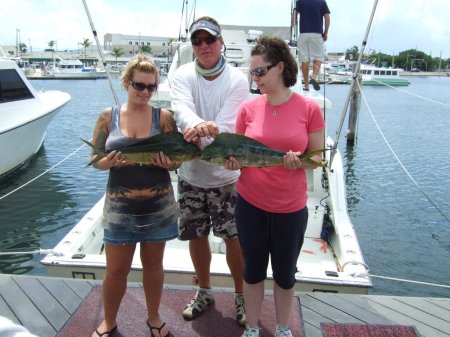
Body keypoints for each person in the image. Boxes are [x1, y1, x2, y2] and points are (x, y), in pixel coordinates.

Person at [224, 36, 326, 337]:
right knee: (252, 273)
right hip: (250, 205)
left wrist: (300, 162)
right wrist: (232, 163)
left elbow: (317, 158)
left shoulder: (309, 109)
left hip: (290, 209)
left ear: (280, 67)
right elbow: (239, 152)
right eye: (251, 73)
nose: (255, 79)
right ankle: (253, 329)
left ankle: (283, 329)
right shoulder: (248, 109)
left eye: (260, 72)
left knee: (285, 276)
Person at [90, 54, 179, 337]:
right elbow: (96, 159)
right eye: (140, 85)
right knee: (116, 270)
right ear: (127, 83)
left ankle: (154, 318)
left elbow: (177, 158)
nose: (145, 92)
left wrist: (171, 164)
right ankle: (109, 321)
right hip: (120, 206)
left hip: (159, 204)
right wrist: (109, 162)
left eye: (152, 87)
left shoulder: (163, 117)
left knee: (154, 265)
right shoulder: (108, 116)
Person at [170, 16, 249, 326]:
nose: (203, 45)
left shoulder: (238, 80)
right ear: (193, 46)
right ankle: (204, 291)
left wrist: (206, 129)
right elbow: (181, 108)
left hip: (227, 178)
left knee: (234, 238)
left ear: (221, 42)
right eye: (197, 41)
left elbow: (229, 124)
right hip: (190, 175)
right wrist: (198, 125)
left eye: (209, 39)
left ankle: (242, 295)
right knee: (196, 235)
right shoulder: (182, 74)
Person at [294, 0, 330, 91]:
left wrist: (293, 25)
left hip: (303, 34)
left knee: (304, 60)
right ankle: (313, 77)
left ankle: (306, 85)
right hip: (317, 34)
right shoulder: (322, 2)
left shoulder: (300, 2)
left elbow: (294, 16)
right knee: (318, 57)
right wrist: (325, 33)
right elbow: (327, 18)